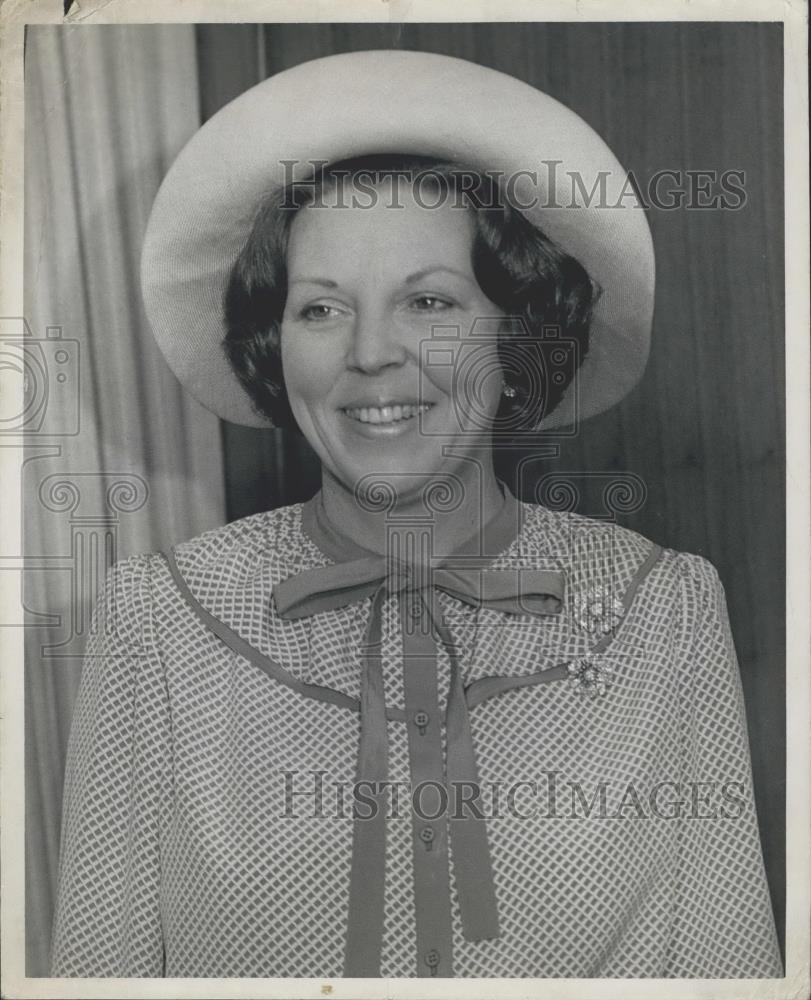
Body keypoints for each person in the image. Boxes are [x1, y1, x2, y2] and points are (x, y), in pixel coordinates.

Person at [50, 50, 782, 979]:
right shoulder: (158, 620)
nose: (369, 355)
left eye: (428, 300)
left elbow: (726, 972)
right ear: (275, 351)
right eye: (319, 309)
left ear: (514, 338)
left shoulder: (661, 609)